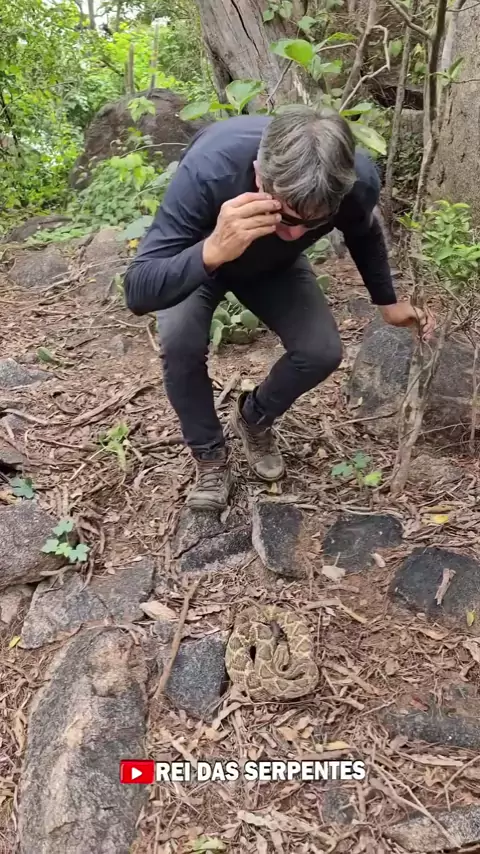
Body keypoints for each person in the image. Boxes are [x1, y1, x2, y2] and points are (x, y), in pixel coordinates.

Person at [124, 105, 435, 511]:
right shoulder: (211, 169)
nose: (294, 232)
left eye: (314, 224)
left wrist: (387, 303)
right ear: (259, 175)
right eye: (284, 216)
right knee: (180, 342)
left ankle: (253, 418)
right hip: (198, 259)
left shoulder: (353, 181)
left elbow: (364, 231)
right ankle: (210, 455)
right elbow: (139, 291)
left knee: (321, 352)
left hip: (272, 269)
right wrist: (213, 250)